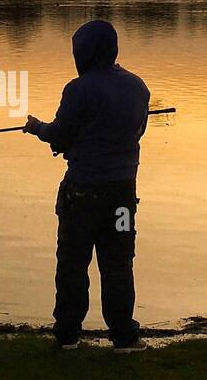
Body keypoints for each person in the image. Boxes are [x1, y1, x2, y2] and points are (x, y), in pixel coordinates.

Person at [23, 19, 151, 352]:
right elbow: (137, 133)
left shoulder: (78, 89)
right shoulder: (138, 87)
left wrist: (37, 128)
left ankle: (67, 336)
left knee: (72, 264)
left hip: (83, 193)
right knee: (118, 265)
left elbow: (59, 134)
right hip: (123, 195)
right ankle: (124, 337)